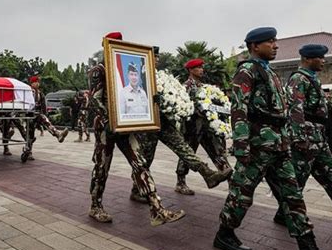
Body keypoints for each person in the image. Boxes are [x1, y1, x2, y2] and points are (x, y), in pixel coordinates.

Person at [214, 27, 324, 250]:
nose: (275, 45)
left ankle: (307, 246)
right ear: (254, 46)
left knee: (292, 194)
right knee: (242, 194)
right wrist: (242, 145)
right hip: (257, 145)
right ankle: (225, 234)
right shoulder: (247, 71)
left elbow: (282, 110)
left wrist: (291, 138)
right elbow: (239, 109)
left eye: (275, 41)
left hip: (279, 145)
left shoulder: (271, 73)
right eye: (270, 42)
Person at [266, 44, 332, 234]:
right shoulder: (298, 79)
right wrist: (300, 139)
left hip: (318, 140)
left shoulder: (312, 79)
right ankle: (283, 214)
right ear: (308, 59)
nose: (323, 61)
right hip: (306, 141)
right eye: (319, 57)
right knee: (296, 184)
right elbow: (295, 110)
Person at [89, 32, 185, 227]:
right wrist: (110, 118)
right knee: (102, 167)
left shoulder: (130, 70)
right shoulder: (99, 70)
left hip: (126, 127)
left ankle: (157, 209)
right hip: (106, 128)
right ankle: (95, 205)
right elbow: (94, 99)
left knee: (140, 164)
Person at [129, 46, 232, 204]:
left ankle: (208, 174)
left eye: (157, 56)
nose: (156, 59)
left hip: (165, 122)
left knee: (184, 150)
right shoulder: (138, 76)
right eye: (153, 56)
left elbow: (176, 97)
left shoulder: (161, 76)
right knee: (147, 159)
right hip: (150, 124)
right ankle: (137, 190)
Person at [175, 58, 232, 195]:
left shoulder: (205, 87)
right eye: (198, 68)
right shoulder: (186, 87)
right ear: (190, 70)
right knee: (188, 155)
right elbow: (183, 107)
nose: (201, 70)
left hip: (208, 127)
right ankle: (180, 182)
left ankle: (232, 183)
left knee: (218, 152)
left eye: (202, 67)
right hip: (193, 129)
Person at [27, 75, 69, 160]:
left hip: (37, 114)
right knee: (30, 134)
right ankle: (29, 152)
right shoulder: (27, 92)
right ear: (31, 83)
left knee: (46, 121)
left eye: (38, 82)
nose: (37, 83)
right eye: (35, 82)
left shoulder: (40, 93)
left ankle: (58, 134)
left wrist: (45, 113)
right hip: (29, 115)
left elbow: (43, 105)